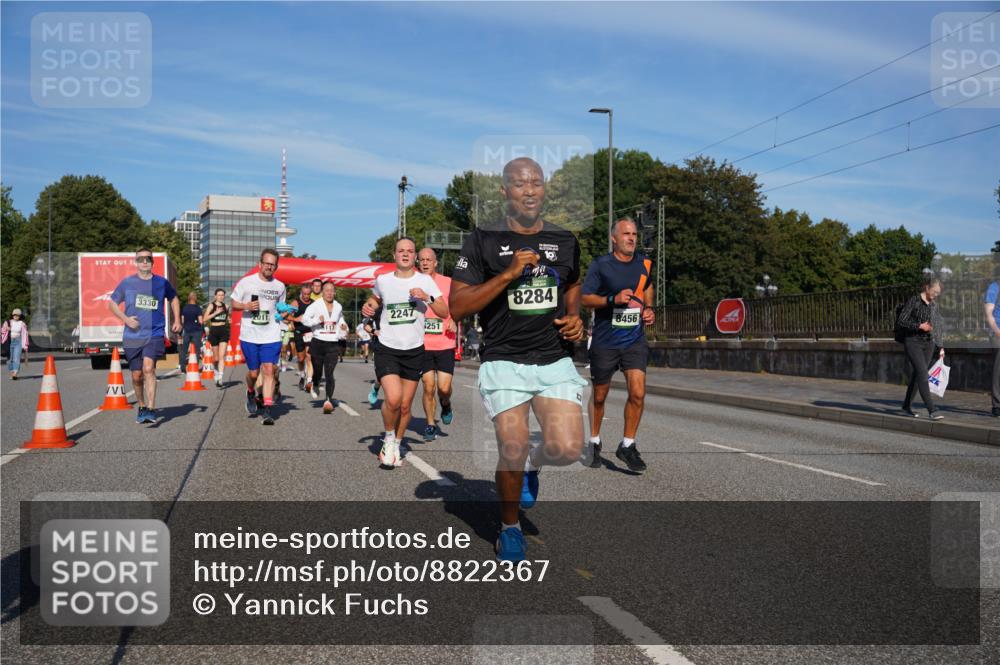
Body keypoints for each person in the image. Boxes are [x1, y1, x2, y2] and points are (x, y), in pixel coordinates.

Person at [450, 157, 586, 562]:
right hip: (504, 359)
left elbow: (574, 282)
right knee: (513, 444)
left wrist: (575, 316)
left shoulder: (565, 241)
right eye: (520, 184)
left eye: (537, 183)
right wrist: (508, 275)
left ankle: (533, 466)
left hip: (552, 359)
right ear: (504, 192)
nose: (530, 191)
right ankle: (509, 528)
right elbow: (457, 307)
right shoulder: (482, 240)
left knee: (564, 448)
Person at [362, 237, 448, 467]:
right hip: (387, 348)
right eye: (402, 251)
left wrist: (426, 297)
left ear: (415, 256)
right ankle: (389, 438)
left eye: (410, 251)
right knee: (393, 398)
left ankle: (397, 443)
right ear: (394, 255)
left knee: (405, 406)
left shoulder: (425, 281)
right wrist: (369, 305)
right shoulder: (383, 280)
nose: (406, 254)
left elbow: (443, 310)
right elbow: (374, 298)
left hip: (414, 350)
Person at [581, 218, 655, 472]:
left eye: (634, 234)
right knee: (600, 396)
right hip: (605, 341)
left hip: (634, 339)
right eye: (626, 234)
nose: (632, 238)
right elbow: (586, 299)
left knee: (638, 392)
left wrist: (649, 309)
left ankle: (628, 444)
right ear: (614, 238)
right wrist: (612, 299)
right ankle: (593, 441)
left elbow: (647, 288)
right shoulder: (601, 265)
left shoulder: (644, 263)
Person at [107, 247, 182, 424]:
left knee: (149, 369)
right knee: (136, 376)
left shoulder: (161, 283)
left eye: (148, 258)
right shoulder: (127, 283)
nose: (144, 261)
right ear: (136, 262)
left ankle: (151, 409)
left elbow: (174, 298)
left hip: (154, 333)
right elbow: (112, 304)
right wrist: (125, 319)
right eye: (141, 259)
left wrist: (177, 319)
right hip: (132, 335)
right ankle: (141, 406)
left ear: (152, 262)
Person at [230, 248, 289, 425]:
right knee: (254, 374)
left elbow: (281, 308)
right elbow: (233, 304)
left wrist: (283, 314)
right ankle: (250, 390)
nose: (269, 267)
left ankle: (267, 408)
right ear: (260, 264)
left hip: (271, 334)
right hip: (250, 334)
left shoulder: (280, 286)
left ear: (276, 267)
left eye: (273, 265)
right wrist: (246, 306)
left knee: (269, 369)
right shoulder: (246, 282)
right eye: (267, 264)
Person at [417, 247, 458, 442]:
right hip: (422, 344)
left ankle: (446, 403)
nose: (425, 262)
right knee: (428, 386)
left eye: (428, 260)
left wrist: (455, 319)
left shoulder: (447, 283)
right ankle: (430, 424)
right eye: (422, 260)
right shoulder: (413, 283)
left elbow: (460, 304)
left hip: (444, 342)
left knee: (443, 388)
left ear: (435, 263)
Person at [896, 276, 945, 420]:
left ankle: (906, 406)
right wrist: (919, 326)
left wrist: (941, 346)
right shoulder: (914, 300)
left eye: (938, 293)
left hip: (928, 343)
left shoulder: (934, 305)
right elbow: (902, 320)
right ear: (927, 287)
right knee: (923, 374)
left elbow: (938, 327)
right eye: (934, 292)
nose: (936, 295)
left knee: (918, 375)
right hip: (913, 341)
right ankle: (932, 409)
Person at [302, 280, 349, 414]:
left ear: (334, 292)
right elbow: (305, 319)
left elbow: (340, 320)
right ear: (322, 292)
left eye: (331, 290)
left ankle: (328, 400)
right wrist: (317, 320)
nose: (329, 293)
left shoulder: (338, 306)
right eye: (327, 290)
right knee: (317, 371)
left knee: (329, 373)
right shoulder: (315, 305)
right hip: (317, 342)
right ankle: (315, 383)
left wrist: (344, 326)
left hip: (333, 343)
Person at [203, 288, 230, 388]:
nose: (221, 297)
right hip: (214, 330)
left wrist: (229, 320)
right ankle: (215, 371)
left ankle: (220, 378)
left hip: (223, 330)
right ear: (215, 296)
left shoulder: (226, 306)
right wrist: (215, 313)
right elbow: (205, 319)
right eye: (219, 295)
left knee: (222, 356)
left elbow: (226, 318)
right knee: (216, 358)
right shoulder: (212, 305)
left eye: (222, 295)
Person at [291, 284, 314, 394]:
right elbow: (287, 316)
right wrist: (295, 319)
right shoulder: (296, 303)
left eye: (308, 294)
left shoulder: (314, 304)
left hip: (310, 332)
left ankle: (309, 381)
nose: (306, 296)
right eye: (304, 294)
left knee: (309, 356)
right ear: (301, 292)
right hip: (299, 331)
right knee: (301, 358)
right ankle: (302, 375)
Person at [984, 263, 1000, 418]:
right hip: (998, 333)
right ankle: (997, 405)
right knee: (998, 370)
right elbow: (989, 313)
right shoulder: (994, 287)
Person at [2, 309, 29, 380]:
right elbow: (2, 331)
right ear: (12, 315)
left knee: (17, 358)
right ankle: (12, 371)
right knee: (9, 359)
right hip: (9, 342)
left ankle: (15, 373)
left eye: (18, 315)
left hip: (18, 342)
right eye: (14, 315)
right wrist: (6, 328)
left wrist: (25, 345)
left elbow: (25, 334)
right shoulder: (7, 322)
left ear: (20, 316)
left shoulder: (22, 323)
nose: (16, 316)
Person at [180, 292, 204, 361]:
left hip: (187, 330)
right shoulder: (198, 308)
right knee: (197, 349)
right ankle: (195, 365)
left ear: (189, 298)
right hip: (196, 331)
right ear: (195, 298)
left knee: (184, 349)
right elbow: (200, 321)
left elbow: (182, 320)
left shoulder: (185, 308)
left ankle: (183, 367)